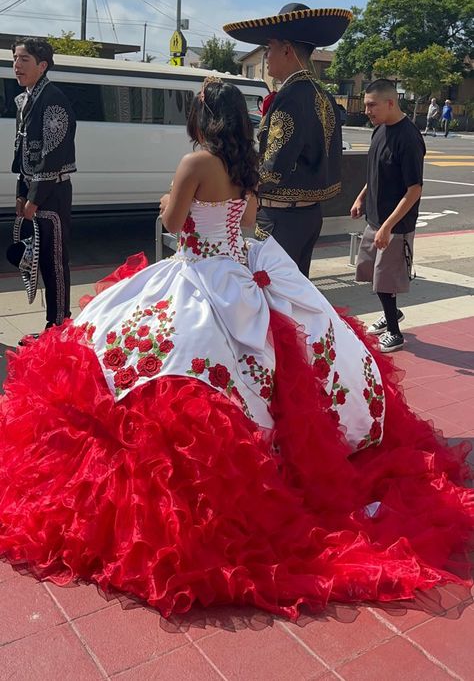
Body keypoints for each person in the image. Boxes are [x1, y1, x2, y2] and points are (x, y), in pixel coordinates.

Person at [0, 79, 472, 624]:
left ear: (202, 117)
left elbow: (174, 225)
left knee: (135, 352)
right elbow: (247, 226)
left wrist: (166, 204)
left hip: (196, 277)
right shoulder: (246, 166)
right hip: (239, 280)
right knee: (268, 369)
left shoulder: (194, 162)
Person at [223, 4, 351, 277]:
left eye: (269, 48)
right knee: (296, 295)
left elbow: (273, 169)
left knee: (273, 299)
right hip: (308, 216)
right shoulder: (323, 95)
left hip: (280, 219)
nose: (266, 56)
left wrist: (233, 182)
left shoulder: (290, 97)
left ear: (286, 49)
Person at [351, 79, 426, 353]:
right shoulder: (379, 130)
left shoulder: (409, 138)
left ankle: (395, 332)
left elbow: (414, 188)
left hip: (396, 224)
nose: (366, 110)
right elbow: (377, 173)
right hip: (376, 217)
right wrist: (361, 198)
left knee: (385, 278)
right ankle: (392, 314)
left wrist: (388, 227)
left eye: (371, 105)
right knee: (375, 274)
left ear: (390, 103)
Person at [11, 37, 76, 330]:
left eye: (24, 59)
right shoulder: (25, 99)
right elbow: (21, 152)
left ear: (42, 65)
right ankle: (53, 323)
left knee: (54, 262)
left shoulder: (53, 99)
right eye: (15, 58)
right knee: (38, 259)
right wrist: (20, 194)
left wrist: (34, 198)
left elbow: (52, 155)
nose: (16, 65)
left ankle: (59, 323)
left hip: (53, 193)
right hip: (35, 191)